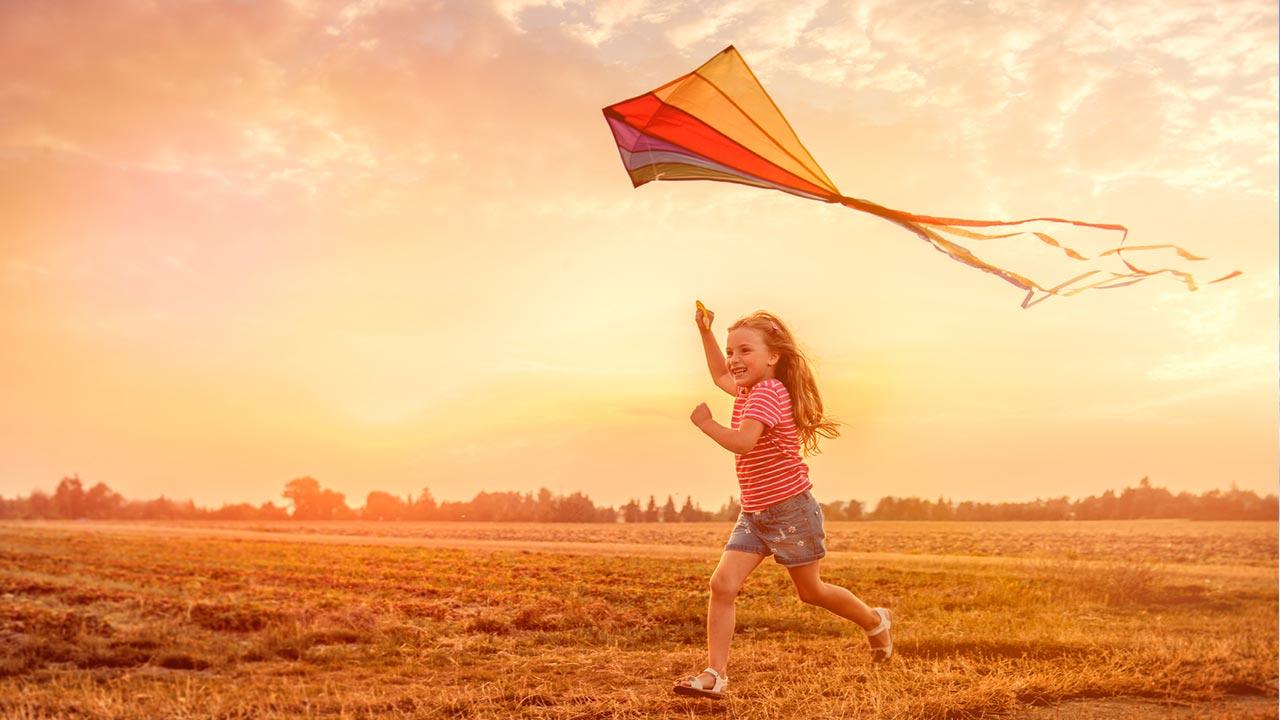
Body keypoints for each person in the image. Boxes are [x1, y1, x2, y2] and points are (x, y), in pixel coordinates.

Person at [673, 303, 893, 700]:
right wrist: (706, 332)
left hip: (790, 510)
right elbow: (720, 375)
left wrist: (706, 423)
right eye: (731, 350)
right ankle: (715, 674)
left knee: (812, 593)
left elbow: (743, 442)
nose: (734, 360)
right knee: (722, 585)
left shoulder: (768, 393)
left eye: (745, 350)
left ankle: (875, 621)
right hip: (755, 512)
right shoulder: (748, 388)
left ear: (773, 356)